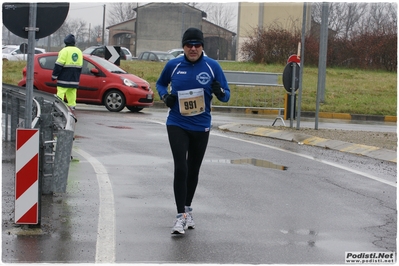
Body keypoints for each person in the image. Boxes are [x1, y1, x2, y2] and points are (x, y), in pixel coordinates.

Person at [156, 27, 230, 234]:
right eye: (189, 44)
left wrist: (219, 92)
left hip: (201, 125)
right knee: (181, 167)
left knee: (193, 169)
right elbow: (161, 84)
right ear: (183, 46)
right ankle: (180, 216)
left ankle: (188, 209)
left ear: (202, 47)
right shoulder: (173, 65)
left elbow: (226, 95)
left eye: (197, 45)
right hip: (177, 123)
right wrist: (165, 97)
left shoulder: (212, 66)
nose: (193, 48)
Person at [51, 34, 83, 111]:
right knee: (72, 93)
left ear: (65, 42)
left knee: (61, 92)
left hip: (64, 77)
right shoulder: (79, 51)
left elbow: (58, 65)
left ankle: (58, 107)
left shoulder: (64, 51)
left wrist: (54, 75)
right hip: (75, 77)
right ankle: (72, 108)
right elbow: (81, 65)